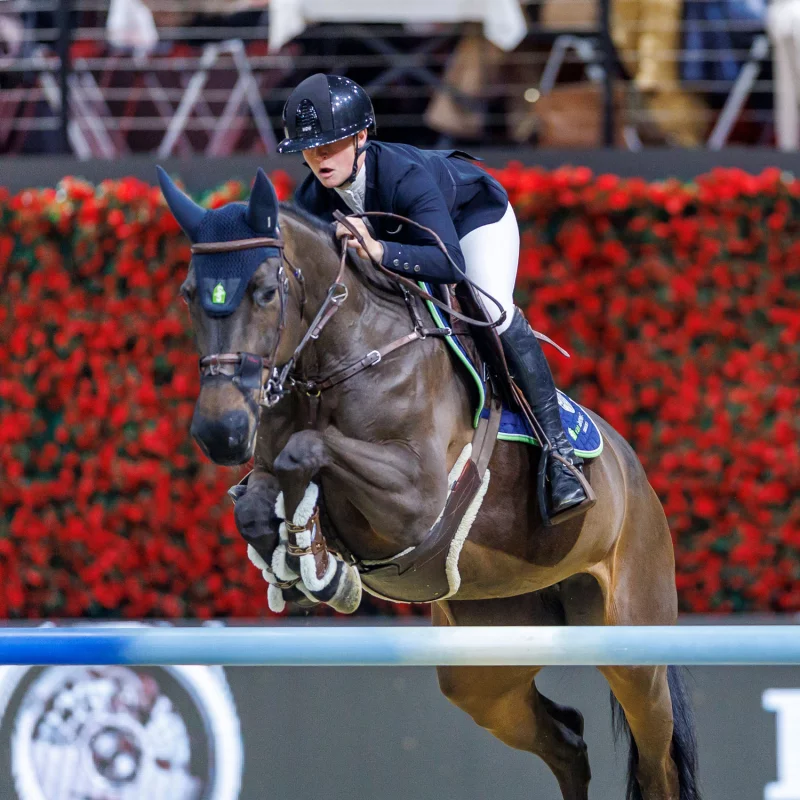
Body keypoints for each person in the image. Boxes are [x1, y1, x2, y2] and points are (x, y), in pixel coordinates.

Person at [276, 73, 590, 524]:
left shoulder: (403, 175)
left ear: (361, 137)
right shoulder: (310, 198)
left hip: (471, 222)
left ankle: (559, 455)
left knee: (492, 309)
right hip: (413, 241)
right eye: (309, 148)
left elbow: (449, 264)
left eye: (331, 144)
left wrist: (380, 250)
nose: (319, 158)